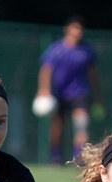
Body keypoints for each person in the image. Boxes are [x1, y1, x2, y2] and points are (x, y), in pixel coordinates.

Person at [36, 16, 102, 164]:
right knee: (58, 126)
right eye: (75, 29)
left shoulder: (87, 51)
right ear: (67, 30)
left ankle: (79, 157)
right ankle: (56, 156)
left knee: (82, 124)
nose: (77, 32)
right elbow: (46, 70)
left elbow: (93, 74)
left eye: (80, 29)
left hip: (80, 93)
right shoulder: (57, 49)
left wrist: (98, 94)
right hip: (59, 94)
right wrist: (44, 90)